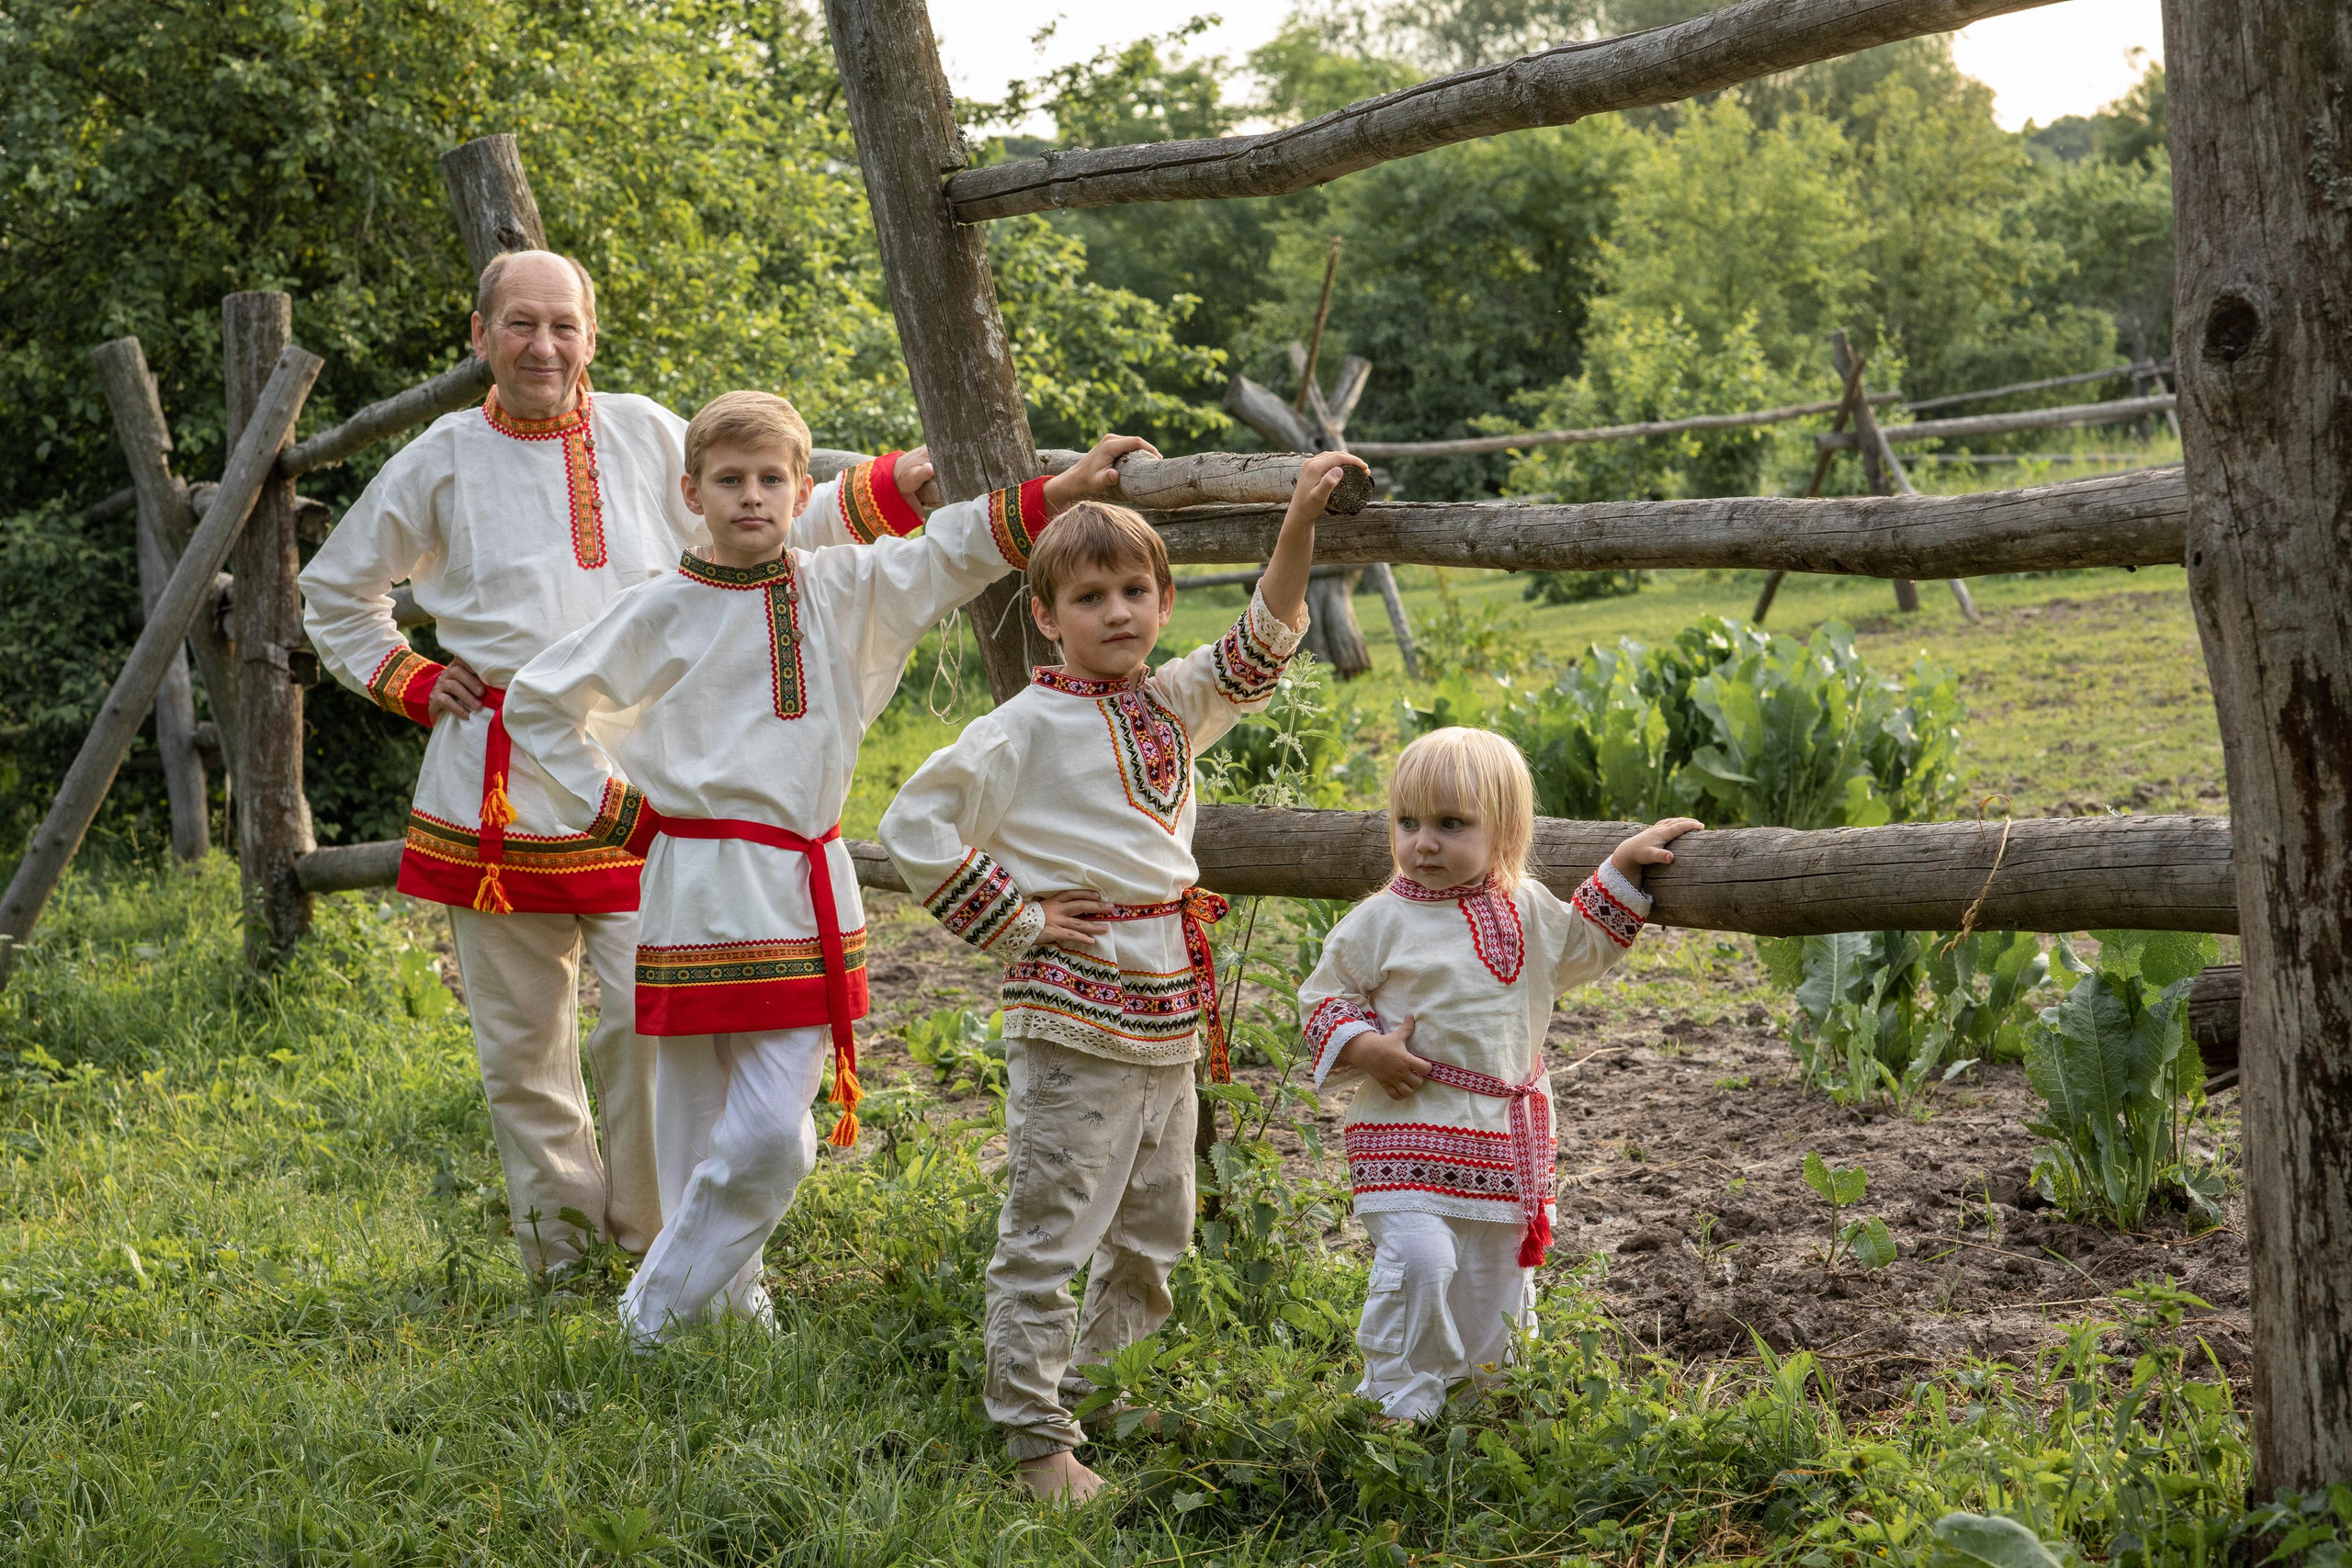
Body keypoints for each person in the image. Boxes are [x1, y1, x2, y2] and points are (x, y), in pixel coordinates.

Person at [300, 251, 935, 1279]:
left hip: (643, 784)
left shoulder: (645, 432)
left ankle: (655, 1240)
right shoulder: (441, 457)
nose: (543, 346)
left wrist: (890, 488)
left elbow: (766, 515)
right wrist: (410, 679)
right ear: (479, 336)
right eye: (520, 324)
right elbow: (334, 591)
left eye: (564, 325)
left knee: (648, 1022)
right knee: (521, 1045)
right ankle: (558, 1253)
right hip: (496, 789)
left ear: (591, 334)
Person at [503, 389, 1153, 1343]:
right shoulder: (657, 608)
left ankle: (652, 1313)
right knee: (692, 1121)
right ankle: (734, 1309)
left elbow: (947, 552)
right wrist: (622, 815)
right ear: (691, 493)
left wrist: (1058, 493)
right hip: (688, 884)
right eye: (730, 479)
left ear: (802, 490)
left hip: (801, 889)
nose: (751, 497)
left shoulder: (840, 588)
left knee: (774, 1133)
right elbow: (536, 701)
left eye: (772, 479)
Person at [878, 450, 1364, 1501]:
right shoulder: (1019, 729)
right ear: (1046, 618)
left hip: (1168, 1013)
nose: (1117, 612)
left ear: (1162, 601)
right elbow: (912, 821)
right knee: (1052, 1228)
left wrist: (1297, 520)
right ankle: (1033, 1442)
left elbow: (1266, 635)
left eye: (1134, 591)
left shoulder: (1174, 705)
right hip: (1072, 1014)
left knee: (1154, 1228)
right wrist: (1020, 918)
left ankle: (1102, 1395)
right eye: (1089, 597)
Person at [1297, 727, 1701, 1423]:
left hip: (1501, 1143)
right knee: (1420, 1261)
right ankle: (1399, 1398)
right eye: (1408, 822)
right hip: (1405, 1130)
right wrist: (1364, 1048)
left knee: (1494, 1280)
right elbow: (1322, 996)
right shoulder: (1380, 920)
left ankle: (1482, 1402)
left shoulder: (1529, 908)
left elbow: (1586, 944)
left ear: (1506, 829)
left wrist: (1622, 867)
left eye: (1451, 824)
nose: (1424, 843)